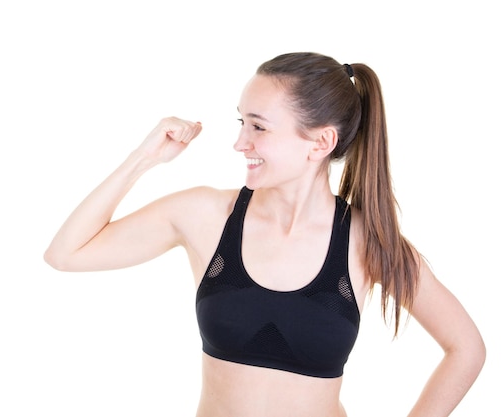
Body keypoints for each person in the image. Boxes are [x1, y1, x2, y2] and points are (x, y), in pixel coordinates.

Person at [43, 52, 485, 417]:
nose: (240, 142)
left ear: (320, 143)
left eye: (258, 126)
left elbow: (466, 348)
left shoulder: (367, 241)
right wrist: (144, 158)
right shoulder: (206, 214)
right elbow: (66, 253)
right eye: (241, 122)